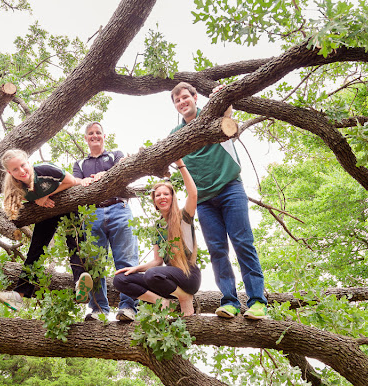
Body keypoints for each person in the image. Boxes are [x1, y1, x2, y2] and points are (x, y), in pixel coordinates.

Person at [169, 81, 268, 320]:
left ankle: (257, 302)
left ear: (194, 97)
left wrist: (222, 94)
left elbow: (227, 110)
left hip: (230, 189)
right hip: (204, 200)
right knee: (217, 251)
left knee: (243, 243)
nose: (182, 102)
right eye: (177, 101)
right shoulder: (175, 135)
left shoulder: (213, 117)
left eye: (185, 97)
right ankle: (230, 301)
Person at [0, 149, 94, 310]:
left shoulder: (45, 170)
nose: (21, 171)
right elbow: (25, 205)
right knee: (35, 250)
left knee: (76, 240)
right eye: (15, 169)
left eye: (23, 165)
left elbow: (71, 181)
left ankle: (80, 282)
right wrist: (40, 201)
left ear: (28, 162)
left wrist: (45, 196)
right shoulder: (16, 189)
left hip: (68, 202)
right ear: (9, 172)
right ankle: (19, 295)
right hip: (48, 212)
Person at [113, 159, 200, 315]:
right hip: (166, 281)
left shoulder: (184, 217)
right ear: (154, 201)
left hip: (188, 276)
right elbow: (157, 261)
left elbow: (193, 194)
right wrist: (135, 268)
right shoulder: (157, 227)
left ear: (172, 197)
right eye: (158, 195)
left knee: (152, 274)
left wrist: (180, 165)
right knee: (120, 279)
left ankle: (185, 298)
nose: (162, 197)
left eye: (166, 194)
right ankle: (161, 302)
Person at [73, 122, 139, 321]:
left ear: (104, 136)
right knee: (94, 263)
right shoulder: (80, 164)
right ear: (86, 138)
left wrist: (106, 175)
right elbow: (76, 183)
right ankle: (98, 309)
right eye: (90, 133)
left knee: (126, 259)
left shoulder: (115, 155)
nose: (95, 136)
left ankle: (128, 307)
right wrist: (82, 181)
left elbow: (123, 170)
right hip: (93, 213)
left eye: (98, 133)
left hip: (119, 208)